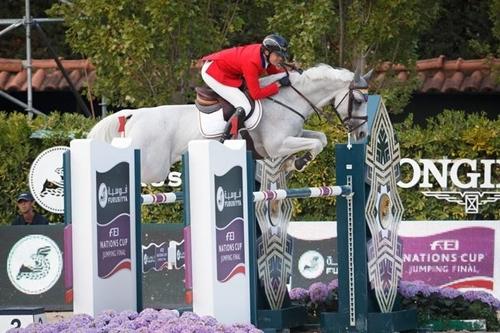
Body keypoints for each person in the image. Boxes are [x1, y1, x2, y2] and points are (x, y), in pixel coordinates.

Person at [200, 33, 292, 140]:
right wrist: (278, 84)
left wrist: (289, 72)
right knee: (244, 105)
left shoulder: (264, 54)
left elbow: (271, 69)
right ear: (267, 52)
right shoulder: (252, 61)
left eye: (281, 56)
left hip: (226, 70)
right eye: (278, 55)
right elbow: (256, 94)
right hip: (213, 72)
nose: (280, 59)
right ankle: (224, 139)